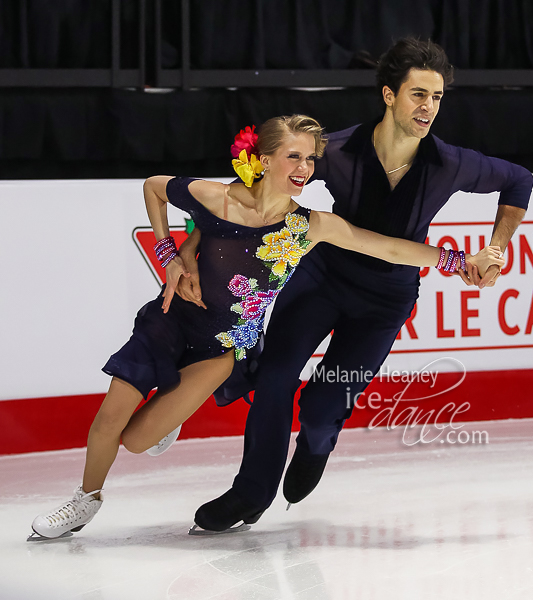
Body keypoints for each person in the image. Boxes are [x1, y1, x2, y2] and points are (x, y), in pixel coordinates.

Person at [28, 113, 503, 541]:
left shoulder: (309, 225)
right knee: (109, 421)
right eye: (292, 155)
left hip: (220, 349)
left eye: (311, 158)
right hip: (169, 324)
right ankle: (86, 500)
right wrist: (170, 254)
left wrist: (460, 261)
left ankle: (166, 420)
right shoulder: (216, 198)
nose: (304, 167)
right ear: (263, 158)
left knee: (135, 441)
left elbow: (390, 248)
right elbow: (153, 186)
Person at [191, 38, 533, 533]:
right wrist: (192, 247)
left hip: (385, 301)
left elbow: (519, 180)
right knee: (276, 375)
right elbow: (256, 190)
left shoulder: (450, 163)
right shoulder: (338, 150)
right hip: (321, 279)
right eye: (418, 94)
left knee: (323, 403)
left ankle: (316, 441)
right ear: (389, 96)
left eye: (437, 97)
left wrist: (497, 247)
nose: (428, 108)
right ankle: (252, 490)